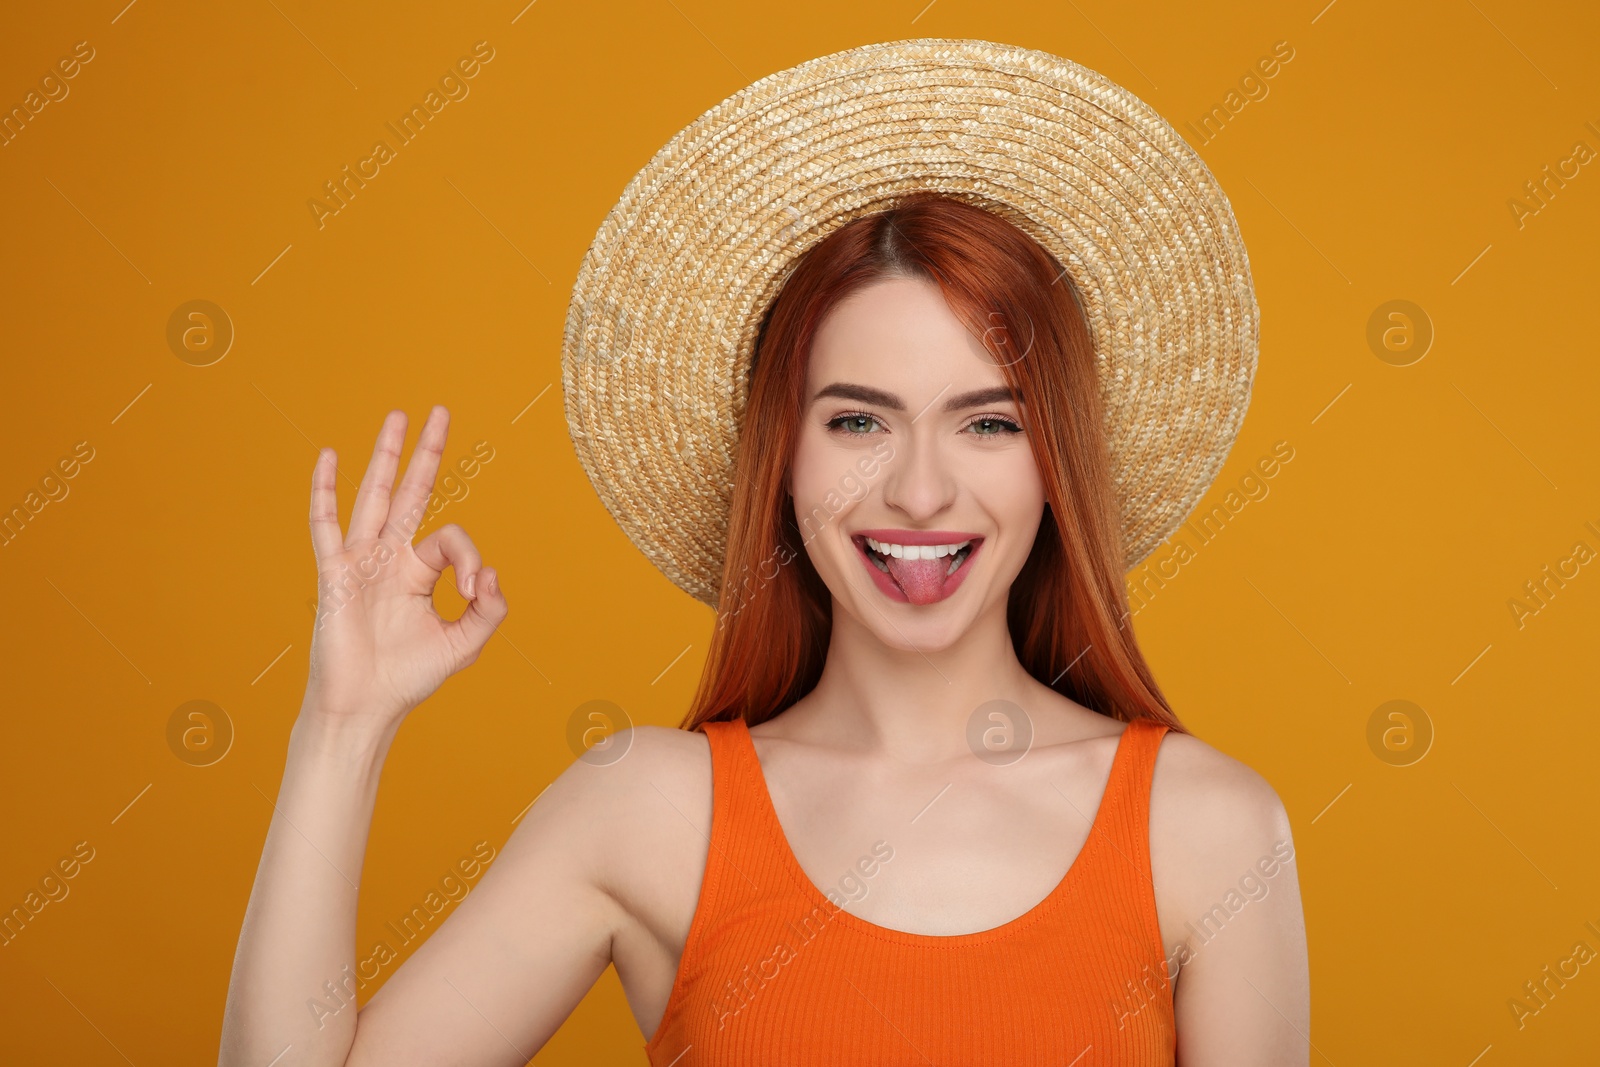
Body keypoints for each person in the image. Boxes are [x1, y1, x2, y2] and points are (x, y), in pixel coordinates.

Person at [221, 40, 1309, 1067]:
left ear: (1054, 461)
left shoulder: (1208, 829)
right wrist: (343, 724)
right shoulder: (645, 808)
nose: (919, 489)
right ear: (780, 459)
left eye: (988, 422)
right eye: (856, 421)